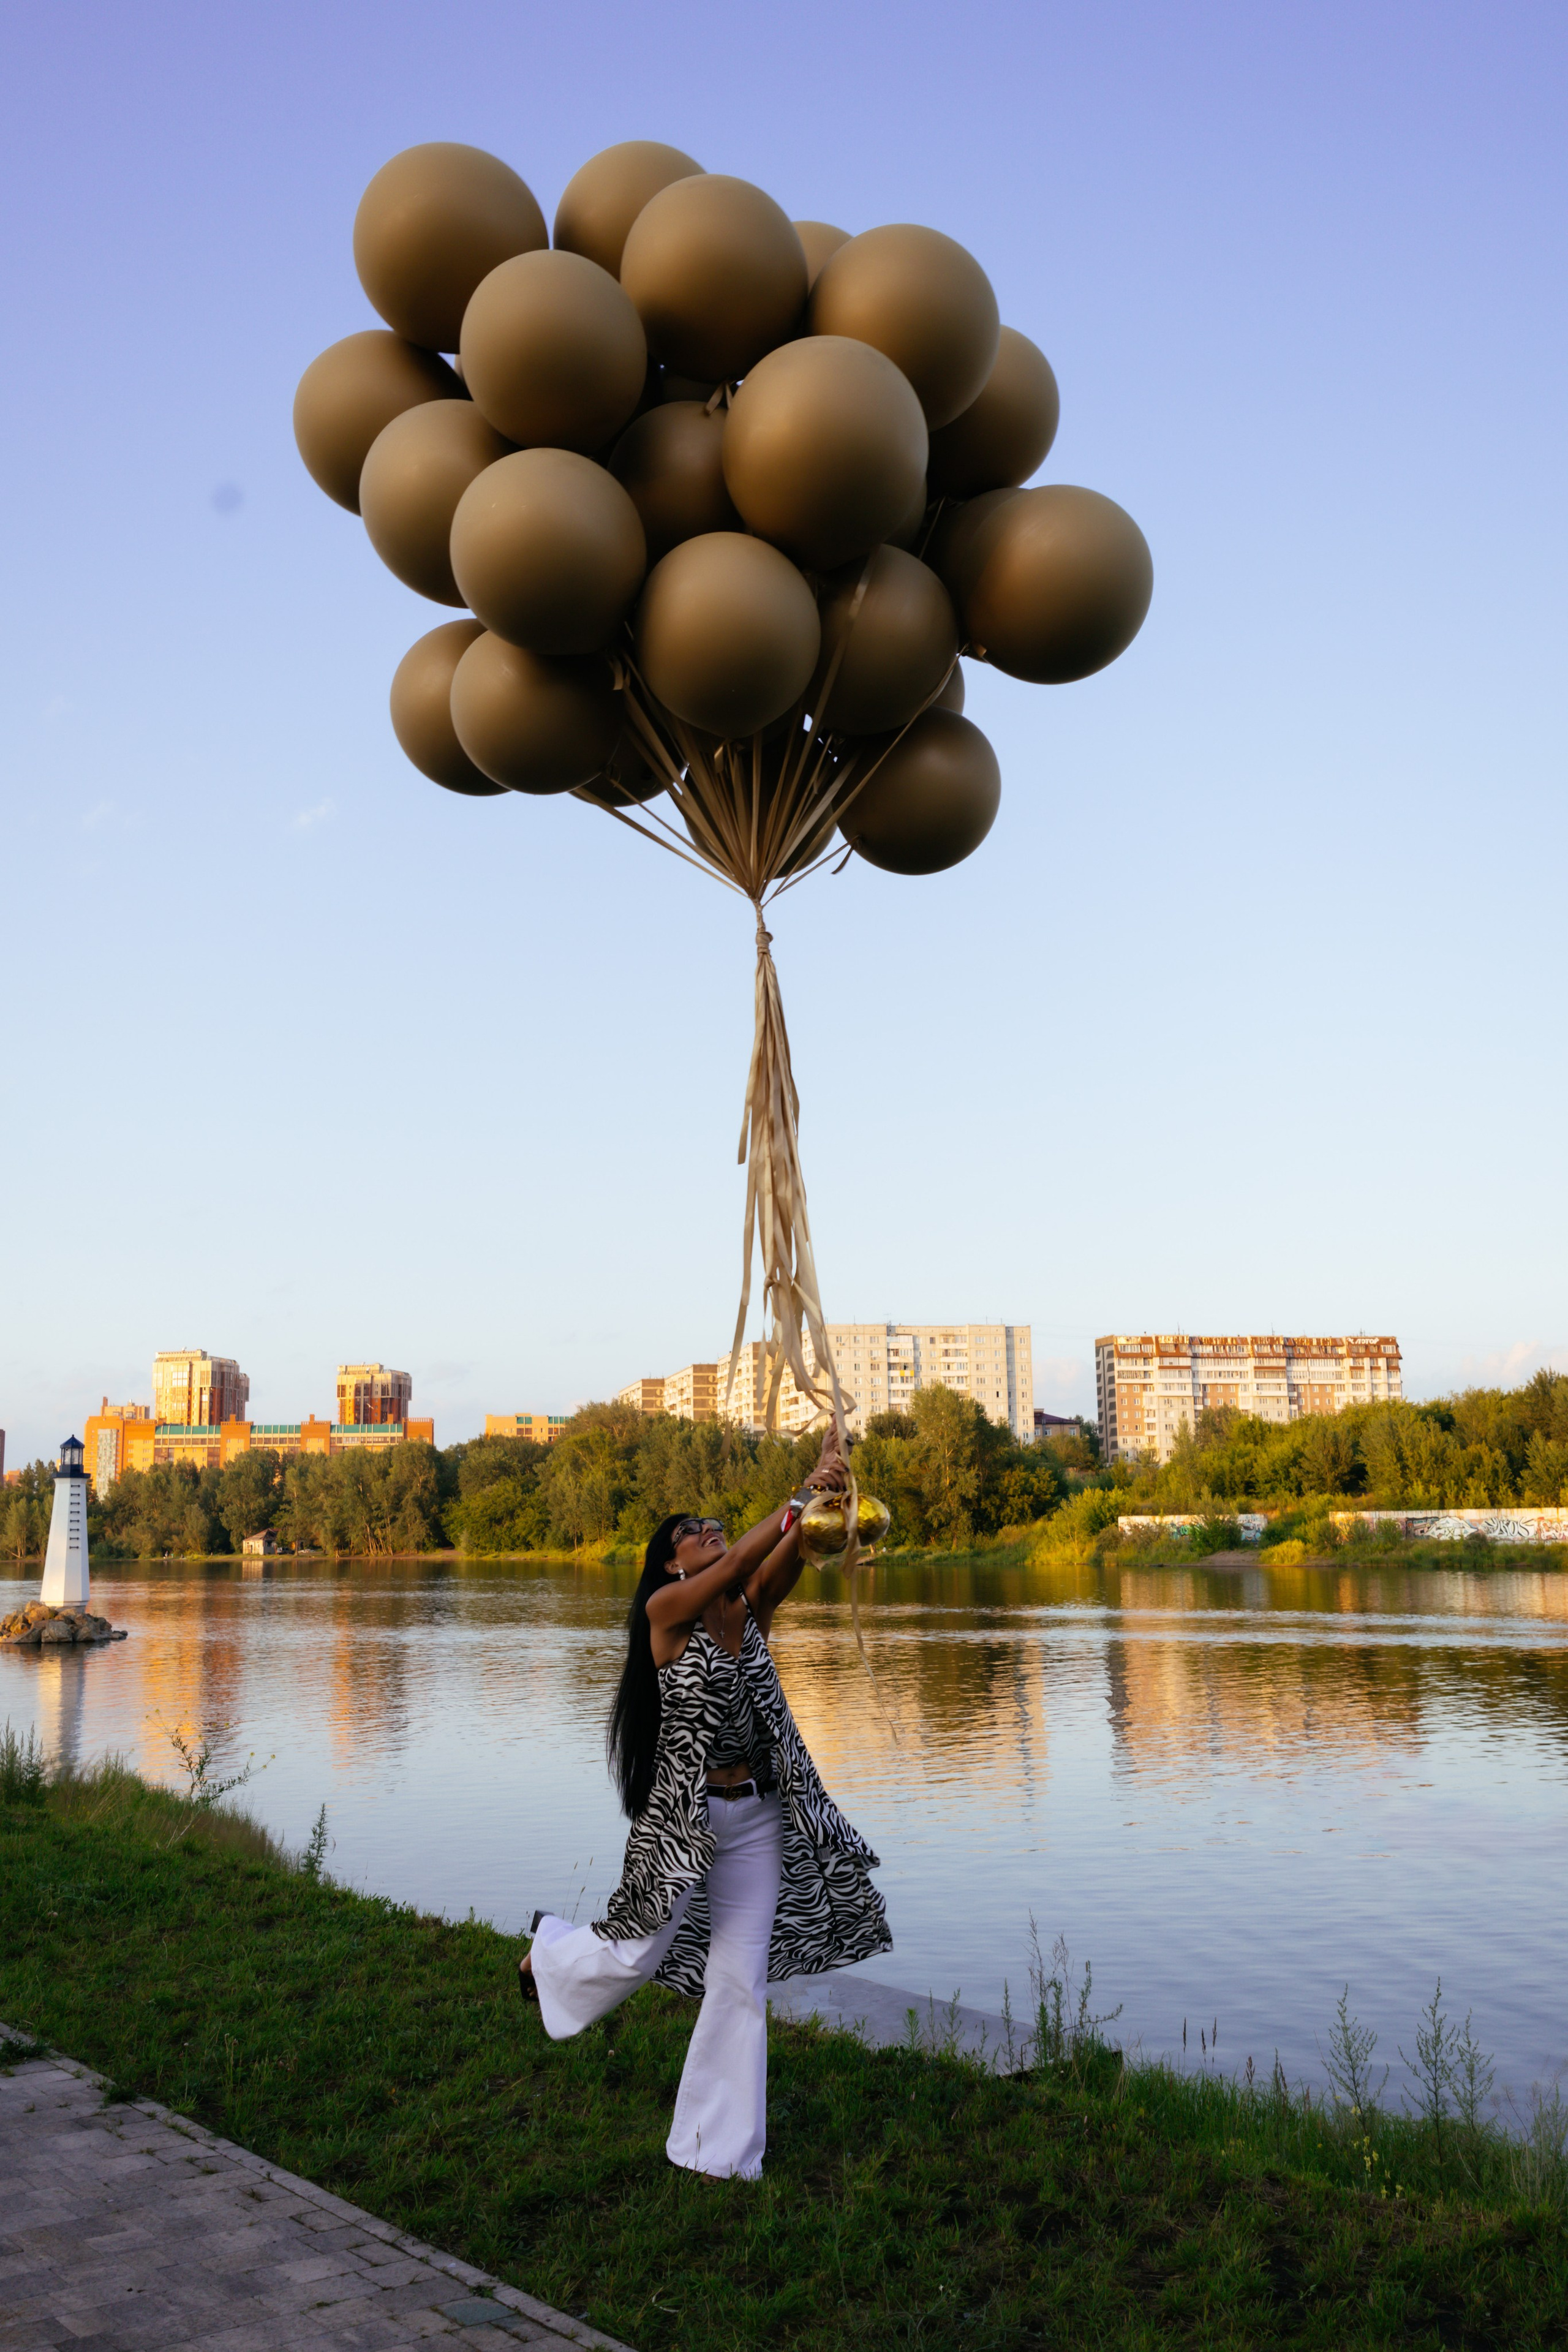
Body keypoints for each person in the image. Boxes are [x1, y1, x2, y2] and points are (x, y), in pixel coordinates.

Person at [518, 1424, 891, 2180]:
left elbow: (799, 1546)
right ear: (669, 1562)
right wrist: (793, 1500)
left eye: (715, 1526)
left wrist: (829, 1485)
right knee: (637, 1951)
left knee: (739, 1981)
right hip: (681, 1817)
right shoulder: (668, 1612)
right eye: (694, 1533)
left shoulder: (746, 1609)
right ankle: (551, 1952)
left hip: (753, 1815)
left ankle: (715, 2153)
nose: (711, 1533)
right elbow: (762, 1543)